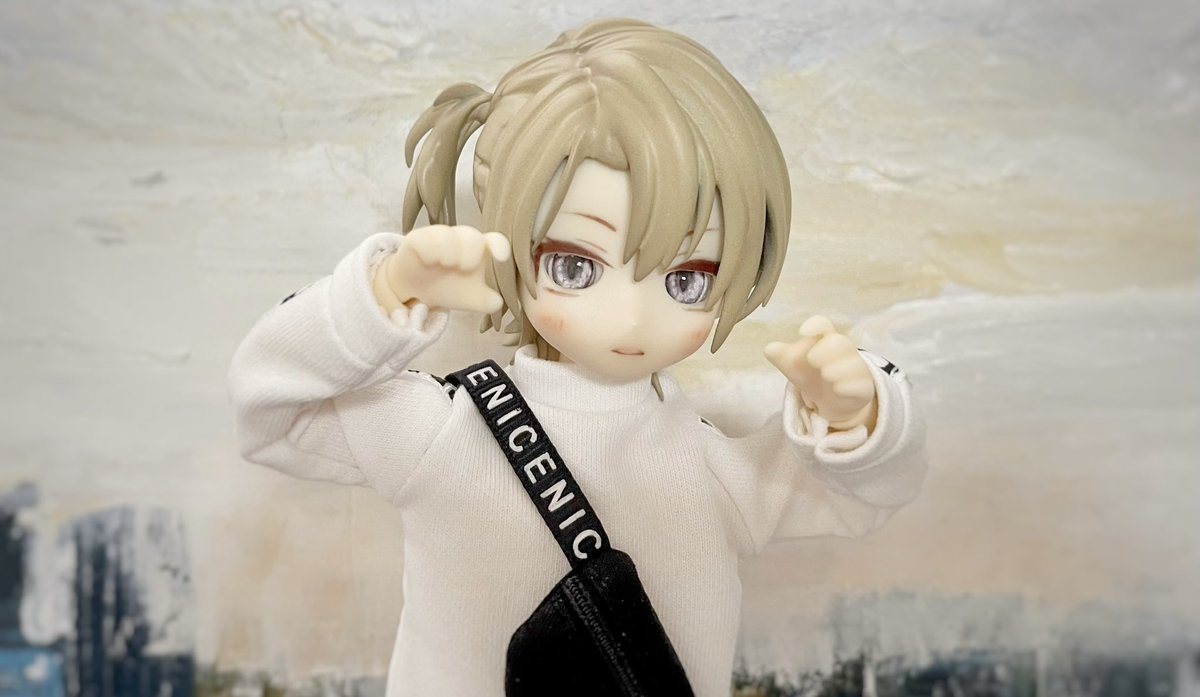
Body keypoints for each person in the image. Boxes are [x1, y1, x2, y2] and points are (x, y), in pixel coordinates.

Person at [230, 18, 926, 697]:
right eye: (575, 266)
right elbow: (270, 410)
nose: (631, 317)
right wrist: (382, 295)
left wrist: (860, 418)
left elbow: (863, 497)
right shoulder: (441, 432)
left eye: (687, 279)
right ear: (510, 239)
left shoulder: (709, 470)